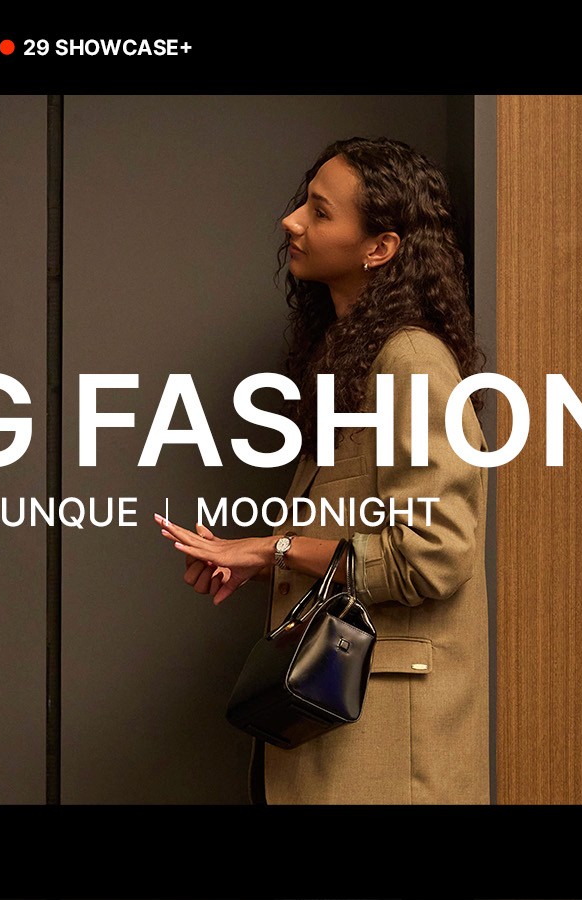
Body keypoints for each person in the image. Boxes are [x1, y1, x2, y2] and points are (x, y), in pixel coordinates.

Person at [158, 137, 490, 804]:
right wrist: (264, 561)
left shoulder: (411, 362)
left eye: (320, 211)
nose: (291, 222)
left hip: (390, 757)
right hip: (336, 742)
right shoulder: (353, 364)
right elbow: (357, 544)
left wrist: (274, 548)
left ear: (380, 248)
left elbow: (434, 555)